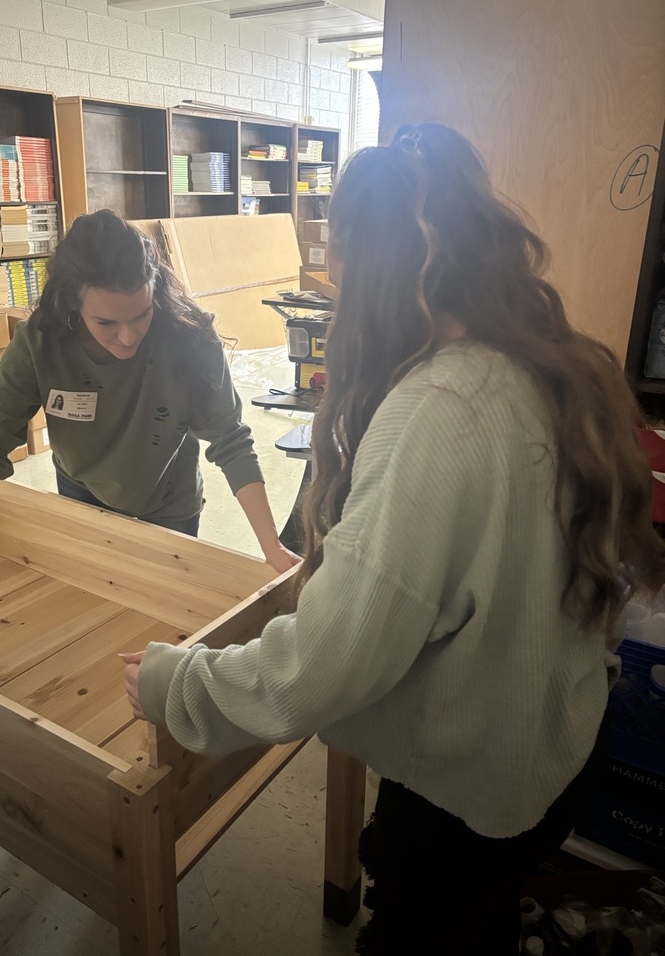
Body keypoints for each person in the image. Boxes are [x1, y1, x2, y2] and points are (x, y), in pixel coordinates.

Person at [122, 124, 665, 953]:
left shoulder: (439, 412)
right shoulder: (537, 361)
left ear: (372, 270)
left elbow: (325, 662)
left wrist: (178, 682)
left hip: (474, 794)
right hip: (550, 752)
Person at [0, 209, 297, 646]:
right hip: (81, 492)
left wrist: (270, 547)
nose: (127, 336)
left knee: (162, 626)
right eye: (106, 322)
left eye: (141, 315)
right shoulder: (40, 344)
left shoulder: (189, 337)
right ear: (72, 303)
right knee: (95, 620)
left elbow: (232, 441)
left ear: (155, 292)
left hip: (168, 499)